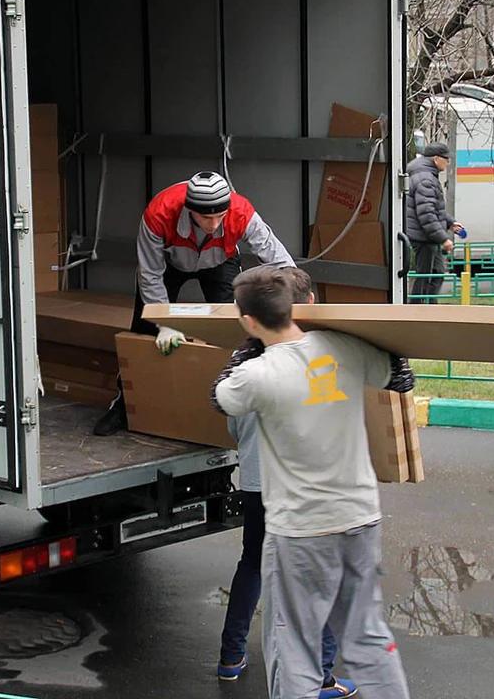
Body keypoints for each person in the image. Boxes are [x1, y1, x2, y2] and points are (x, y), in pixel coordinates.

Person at [211, 266, 415, 699]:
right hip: (360, 518)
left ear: (248, 320)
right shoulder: (343, 347)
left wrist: (246, 349)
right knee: (368, 635)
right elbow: (401, 377)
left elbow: (220, 396)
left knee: (294, 645)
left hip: (300, 529)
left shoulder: (257, 374)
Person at [216, 267, 357, 699]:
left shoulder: (244, 361)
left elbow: (233, 424)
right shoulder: (319, 357)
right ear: (308, 304)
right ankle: (320, 677)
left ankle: (230, 657)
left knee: (253, 564)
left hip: (257, 482)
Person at [91, 170, 294, 436]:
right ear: (190, 210)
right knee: (144, 330)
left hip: (220, 261)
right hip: (169, 263)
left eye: (220, 216)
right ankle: (124, 406)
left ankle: (235, 408)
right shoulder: (159, 213)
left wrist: (295, 298)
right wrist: (164, 323)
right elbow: (150, 273)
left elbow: (279, 259)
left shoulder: (242, 212)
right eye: (206, 217)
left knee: (233, 332)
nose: (213, 224)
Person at [405, 142, 463, 303]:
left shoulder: (425, 175)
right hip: (424, 237)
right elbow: (427, 215)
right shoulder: (426, 179)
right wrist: (443, 239)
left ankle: (428, 307)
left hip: (427, 237)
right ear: (436, 159)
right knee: (425, 277)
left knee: (436, 274)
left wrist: (450, 222)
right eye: (446, 159)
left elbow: (432, 208)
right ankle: (417, 309)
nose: (448, 162)